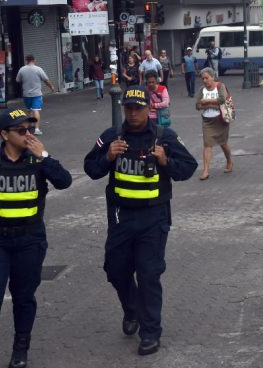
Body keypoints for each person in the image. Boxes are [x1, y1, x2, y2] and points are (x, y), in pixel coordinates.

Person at [83, 85, 197, 356]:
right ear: (124, 108)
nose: (133, 113)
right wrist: (108, 156)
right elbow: (90, 168)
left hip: (153, 218)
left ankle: (150, 332)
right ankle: (131, 308)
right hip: (121, 218)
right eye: (129, 108)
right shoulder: (112, 136)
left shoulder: (164, 137)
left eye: (139, 108)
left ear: (149, 109)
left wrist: (165, 160)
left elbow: (188, 168)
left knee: (148, 274)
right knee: (115, 270)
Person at [0, 108, 72, 368]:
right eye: (21, 131)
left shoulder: (38, 161)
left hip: (29, 241)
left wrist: (43, 155)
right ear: (4, 134)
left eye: (30, 129)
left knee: (23, 297)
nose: (28, 134)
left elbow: (65, 182)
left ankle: (20, 353)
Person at [195, 67, 233, 181]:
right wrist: (211, 105)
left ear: (213, 77)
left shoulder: (220, 86)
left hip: (220, 119)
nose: (205, 81)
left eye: (207, 78)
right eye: (203, 78)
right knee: (207, 145)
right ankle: (206, 170)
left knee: (223, 143)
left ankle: (229, 161)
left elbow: (222, 99)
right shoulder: (202, 90)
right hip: (207, 120)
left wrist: (206, 102)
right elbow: (197, 105)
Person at [15, 55, 55, 136]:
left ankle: (29, 126)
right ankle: (36, 129)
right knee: (36, 110)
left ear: (26, 60)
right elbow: (46, 80)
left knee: (29, 110)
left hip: (26, 94)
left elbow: (17, 80)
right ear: (34, 60)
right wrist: (51, 87)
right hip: (36, 94)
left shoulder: (22, 69)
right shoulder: (38, 69)